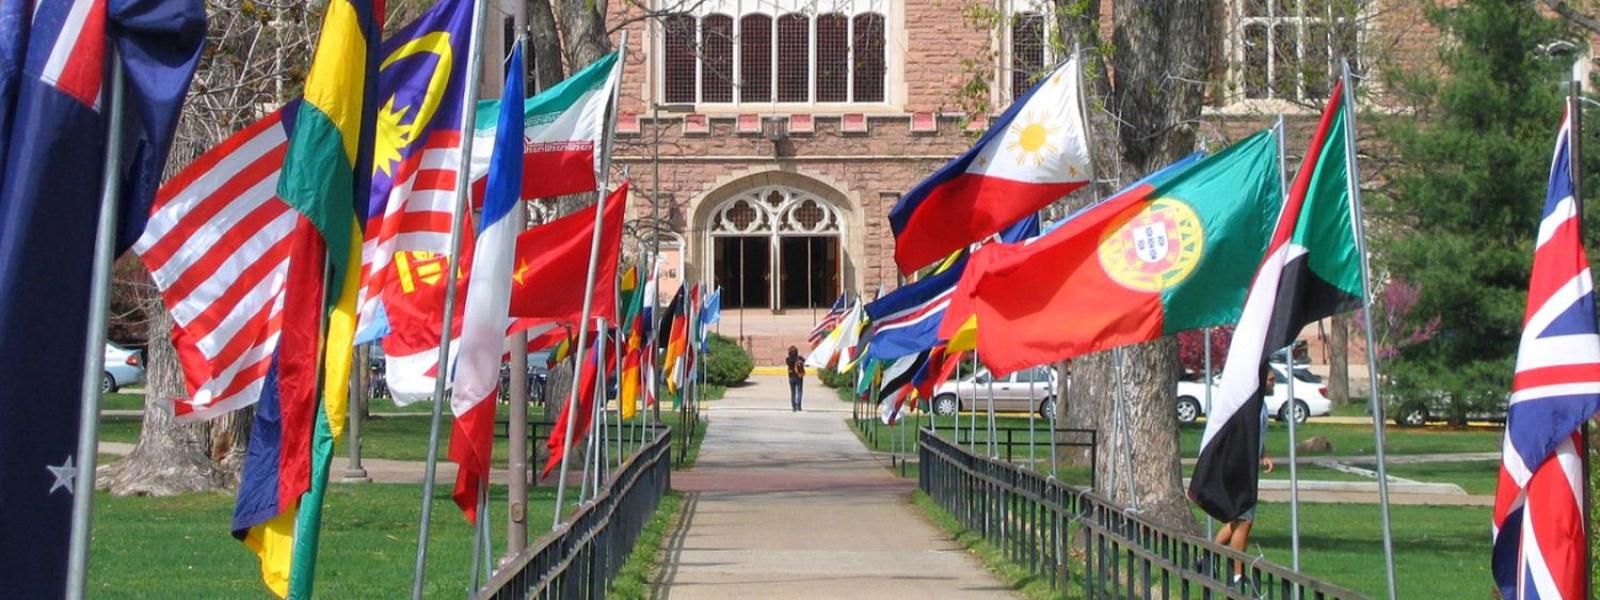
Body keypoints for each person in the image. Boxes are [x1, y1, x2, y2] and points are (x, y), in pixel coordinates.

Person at [1211, 366, 1277, 585]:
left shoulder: (1261, 405)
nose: (1273, 383)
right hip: (1241, 469)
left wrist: (1263, 453)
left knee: (1237, 520)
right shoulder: (1249, 406)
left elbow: (1257, 435)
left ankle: (1206, 555)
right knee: (1244, 522)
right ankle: (1238, 574)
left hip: (1249, 468)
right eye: (1271, 379)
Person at [785, 346, 805, 411]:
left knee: (793, 392)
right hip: (799, 376)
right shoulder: (800, 358)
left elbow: (788, 364)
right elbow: (804, 361)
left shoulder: (788, 359)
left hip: (791, 377)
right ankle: (799, 406)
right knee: (799, 391)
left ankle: (794, 407)